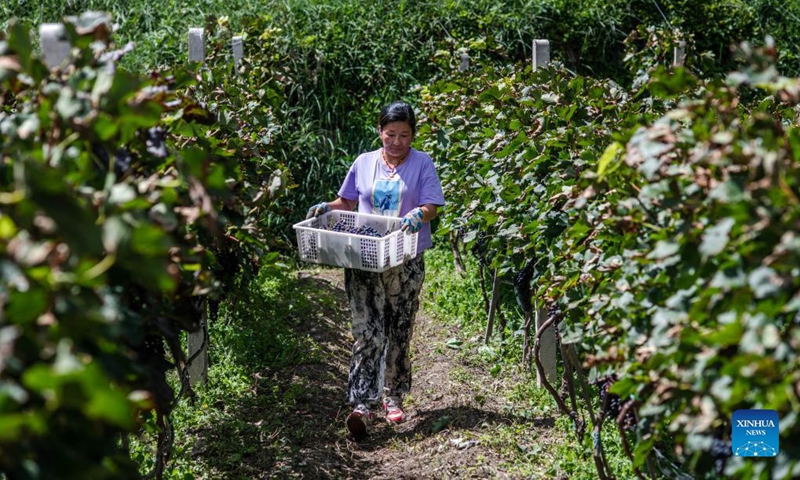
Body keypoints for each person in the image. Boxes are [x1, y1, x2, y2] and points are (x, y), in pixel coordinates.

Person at [305, 101, 445, 438]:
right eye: (390, 134)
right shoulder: (364, 162)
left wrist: (419, 215)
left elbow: (432, 205)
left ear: (413, 135)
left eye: (404, 135)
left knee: (398, 326)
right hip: (365, 257)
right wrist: (327, 206)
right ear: (380, 131)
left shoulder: (422, 163)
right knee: (367, 329)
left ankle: (392, 395)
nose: (397, 142)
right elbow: (348, 202)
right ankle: (362, 405)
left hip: (404, 257)